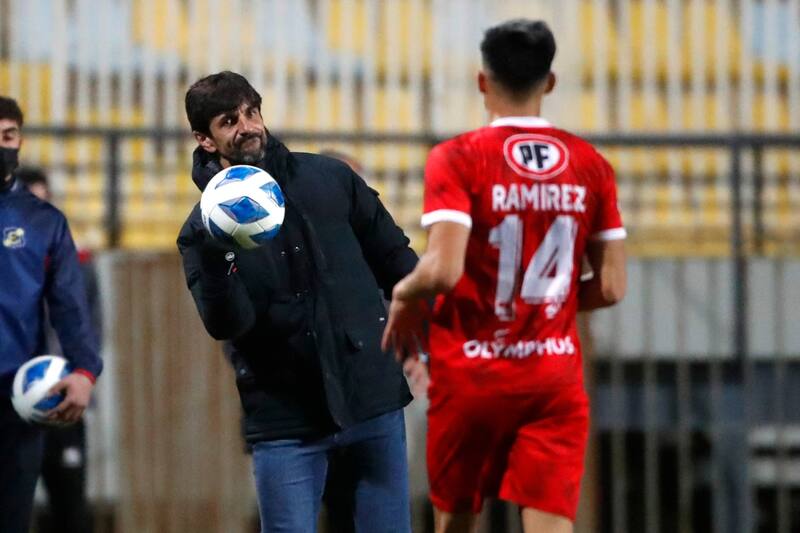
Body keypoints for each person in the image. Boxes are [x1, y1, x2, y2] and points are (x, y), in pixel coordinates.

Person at [382, 20, 627, 533]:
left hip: (471, 371)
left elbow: (444, 270)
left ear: (482, 81)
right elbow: (610, 286)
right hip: (552, 376)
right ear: (550, 82)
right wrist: (547, 303)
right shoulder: (591, 164)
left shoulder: (458, 157)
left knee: (456, 520)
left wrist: (405, 294)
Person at [177, 71, 419, 533]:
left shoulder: (331, 179)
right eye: (229, 121)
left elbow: (398, 263)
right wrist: (218, 252)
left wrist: (427, 341)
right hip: (285, 420)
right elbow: (227, 324)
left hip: (371, 400)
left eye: (251, 112)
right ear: (204, 139)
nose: (247, 127)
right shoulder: (200, 233)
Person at [0, 96, 102, 533]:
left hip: (13, 403)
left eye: (8, 135)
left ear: (20, 140)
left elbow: (71, 307)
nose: (2, 145)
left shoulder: (44, 222)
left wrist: (84, 370)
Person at [17, 166, 101, 533]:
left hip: (61, 396)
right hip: (8, 400)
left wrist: (82, 374)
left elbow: (91, 327)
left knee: (70, 507)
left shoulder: (77, 264)